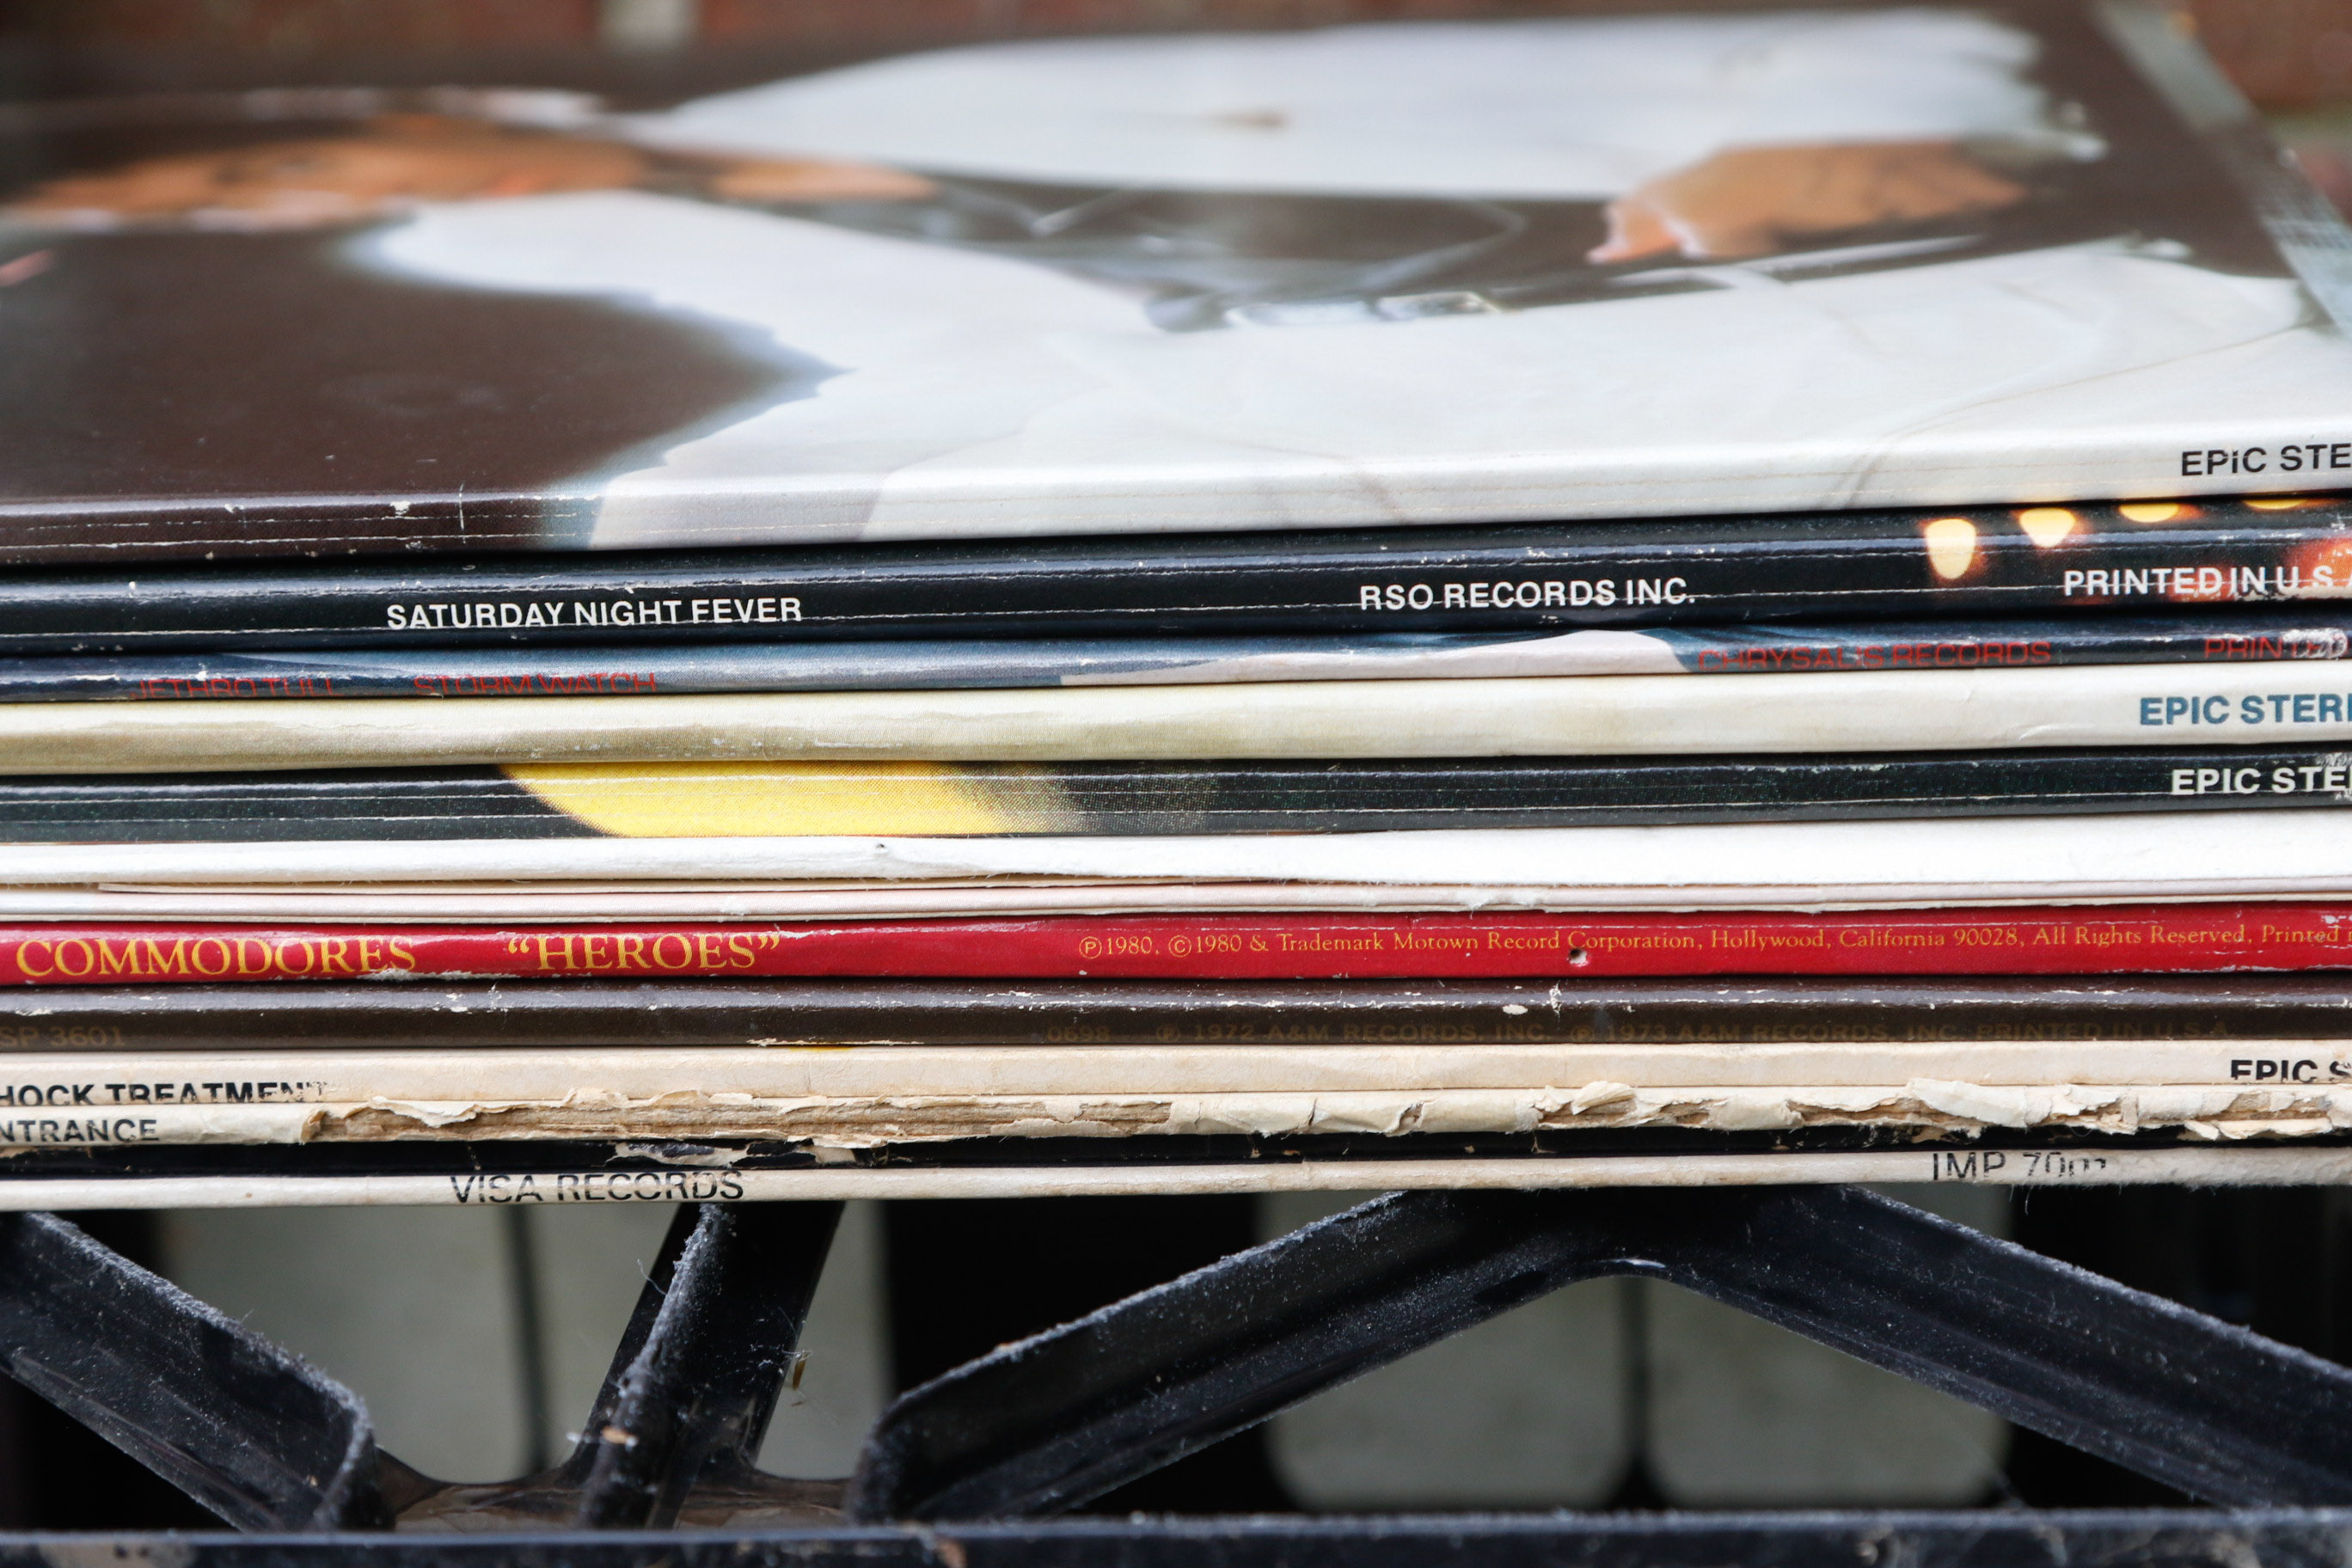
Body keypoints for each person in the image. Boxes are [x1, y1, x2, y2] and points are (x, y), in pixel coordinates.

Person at [8, 8, 2349, 548]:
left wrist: (1744, 170)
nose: (283, 216)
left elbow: (1945, 50)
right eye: (243, 233)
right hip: (1562, 406)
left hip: (2023, 299)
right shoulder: (592, 256)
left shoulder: (944, 77)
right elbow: (911, 415)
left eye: (257, 174)